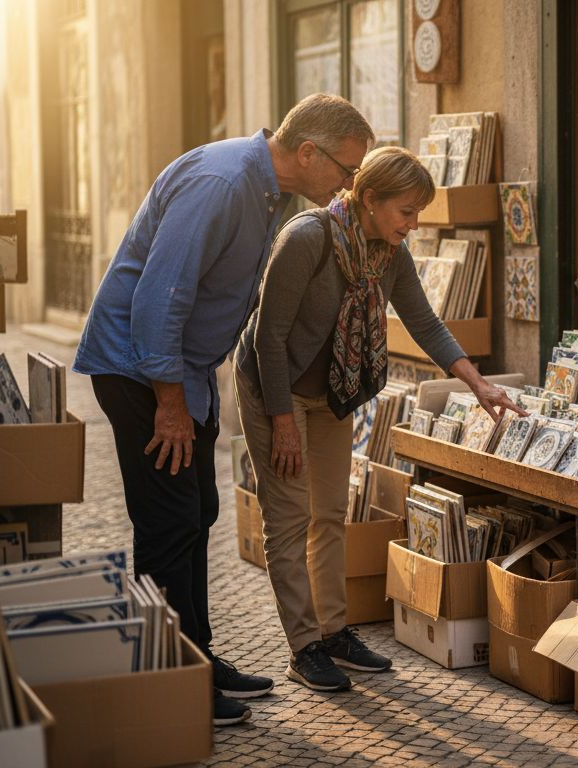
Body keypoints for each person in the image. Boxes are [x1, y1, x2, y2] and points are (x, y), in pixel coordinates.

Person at [73, 93, 375, 726]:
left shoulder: (270, 190)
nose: (351, 186)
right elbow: (162, 297)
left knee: (200, 510)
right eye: (347, 171)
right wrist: (171, 406)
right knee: (168, 525)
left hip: (181, 374)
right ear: (307, 153)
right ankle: (172, 685)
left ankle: (199, 659)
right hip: (142, 373)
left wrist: (194, 394)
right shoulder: (223, 181)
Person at [231, 146, 523, 692]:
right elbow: (268, 336)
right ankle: (304, 646)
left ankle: (334, 631)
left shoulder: (390, 256)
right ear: (369, 199)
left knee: (332, 513)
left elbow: (425, 322)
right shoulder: (306, 238)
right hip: (276, 387)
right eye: (406, 212)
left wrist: (479, 384)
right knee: (290, 518)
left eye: (418, 214)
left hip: (333, 391)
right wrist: (282, 423)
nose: (413, 225)